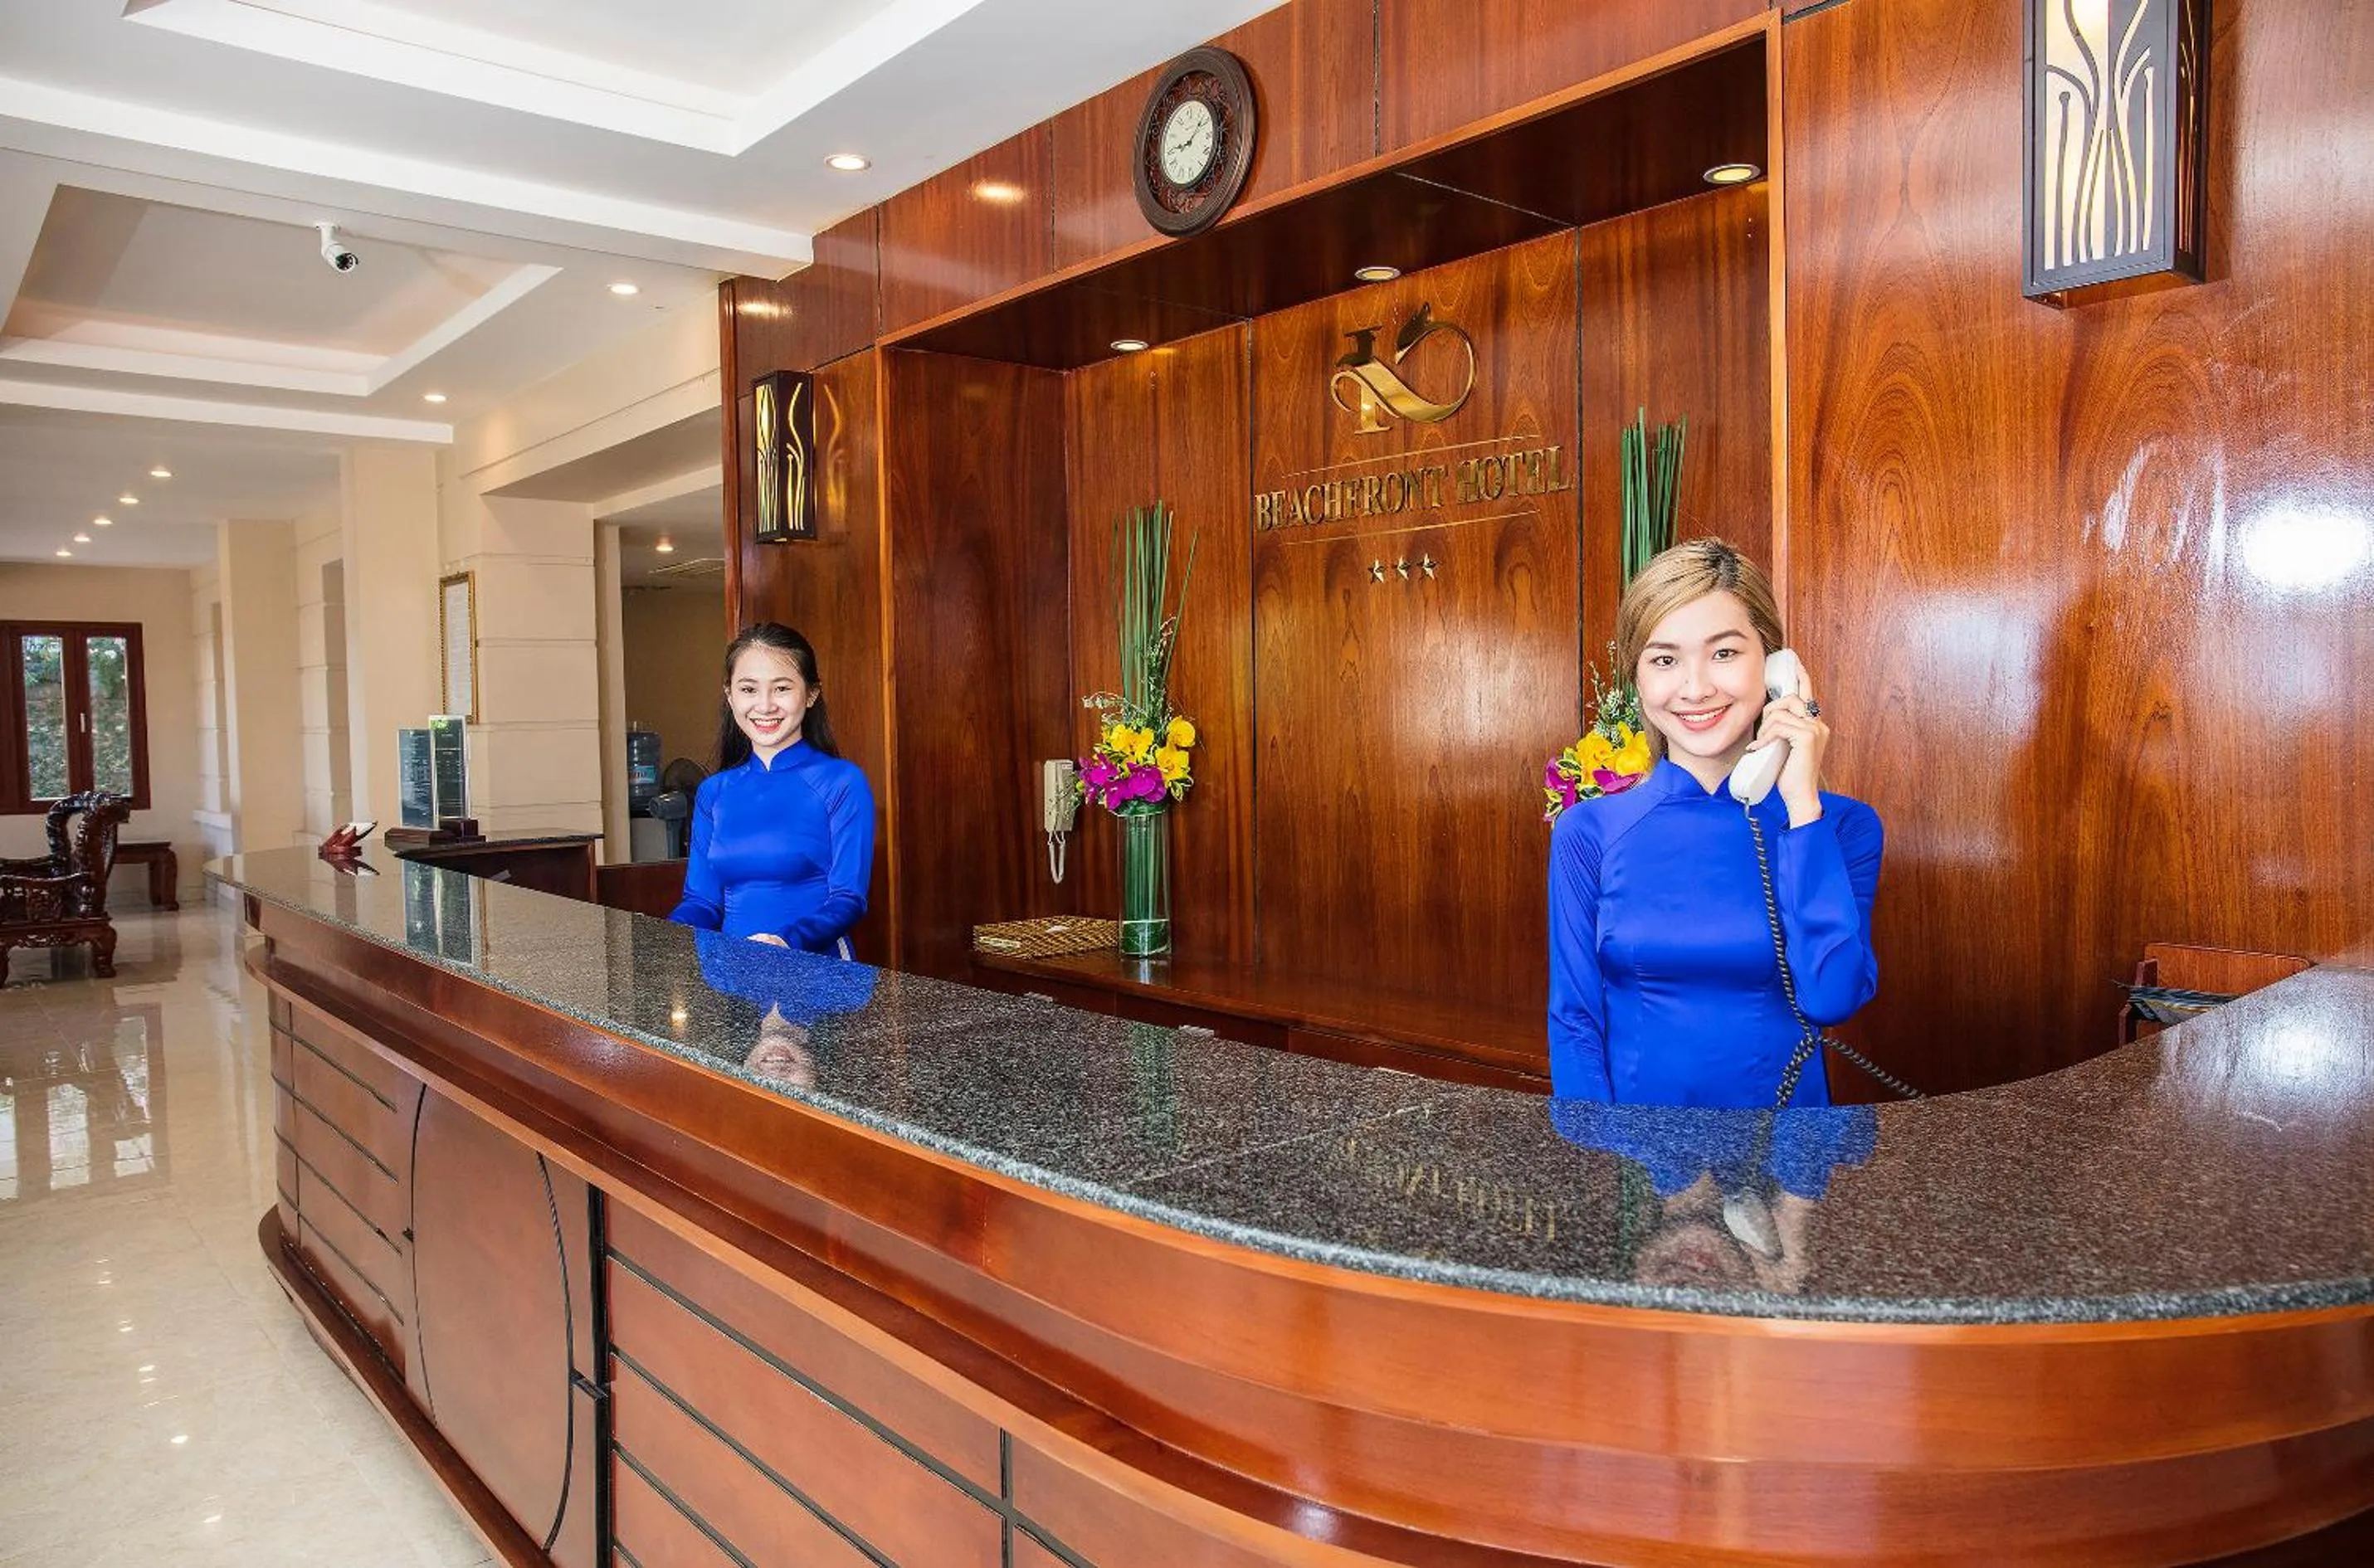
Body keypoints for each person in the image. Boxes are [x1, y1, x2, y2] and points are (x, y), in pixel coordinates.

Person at [1547, 539, 1882, 1107]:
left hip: (1786, 1166)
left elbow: (1831, 998)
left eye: (1724, 653)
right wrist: (1608, 1170)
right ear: (1636, 676)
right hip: (1642, 1166)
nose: (1695, 687)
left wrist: (1801, 805)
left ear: (1775, 665)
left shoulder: (1841, 827)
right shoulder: (1589, 833)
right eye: (1664, 659)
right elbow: (1574, 1022)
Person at [669, 623, 875, 956]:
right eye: (748, 689)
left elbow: (849, 899)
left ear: (810, 694)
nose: (764, 706)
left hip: (817, 975)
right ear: (730, 696)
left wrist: (787, 941)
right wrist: (663, 933)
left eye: (781, 688)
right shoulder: (714, 792)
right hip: (731, 977)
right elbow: (702, 902)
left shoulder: (842, 782)